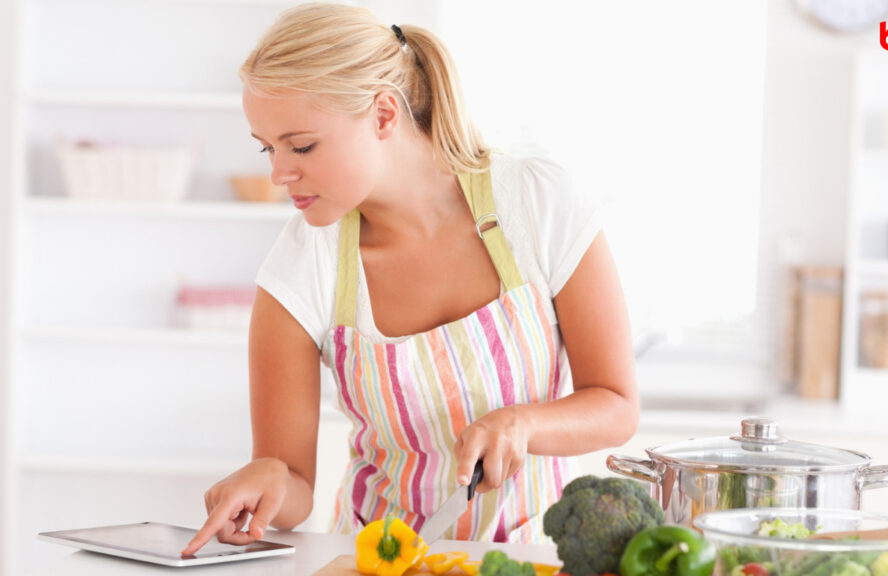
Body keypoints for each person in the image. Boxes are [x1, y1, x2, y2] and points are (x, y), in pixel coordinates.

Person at [183, 2, 637, 554]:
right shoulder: (303, 264)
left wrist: (523, 423)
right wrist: (270, 480)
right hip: (378, 558)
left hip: (530, 556)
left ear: (382, 115)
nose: (279, 173)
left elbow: (615, 404)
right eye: (267, 147)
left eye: (301, 145)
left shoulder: (535, 203)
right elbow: (295, 481)